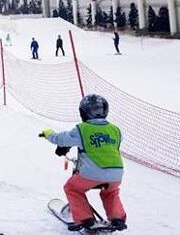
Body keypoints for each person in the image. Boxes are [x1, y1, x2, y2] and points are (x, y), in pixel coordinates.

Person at [39, 94, 127, 232]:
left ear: (83, 112)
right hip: (116, 174)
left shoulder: (82, 128)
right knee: (110, 192)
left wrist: (49, 133)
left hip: (91, 174)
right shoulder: (116, 130)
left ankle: (85, 219)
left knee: (72, 188)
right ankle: (118, 218)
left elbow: (62, 139)